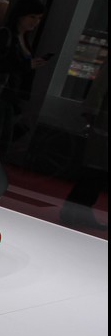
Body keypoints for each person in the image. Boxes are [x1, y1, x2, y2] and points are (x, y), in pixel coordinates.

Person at [0, 0, 48, 158]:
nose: (35, 22)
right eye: (32, 17)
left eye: (38, 18)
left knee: (0, 140)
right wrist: (25, 65)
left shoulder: (22, 38)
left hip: (7, 96)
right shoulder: (5, 35)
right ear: (21, 15)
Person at [61, 59, 107, 231]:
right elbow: (99, 89)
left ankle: (76, 210)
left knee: (97, 171)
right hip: (103, 125)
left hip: (102, 123)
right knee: (95, 170)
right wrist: (93, 114)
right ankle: (75, 210)